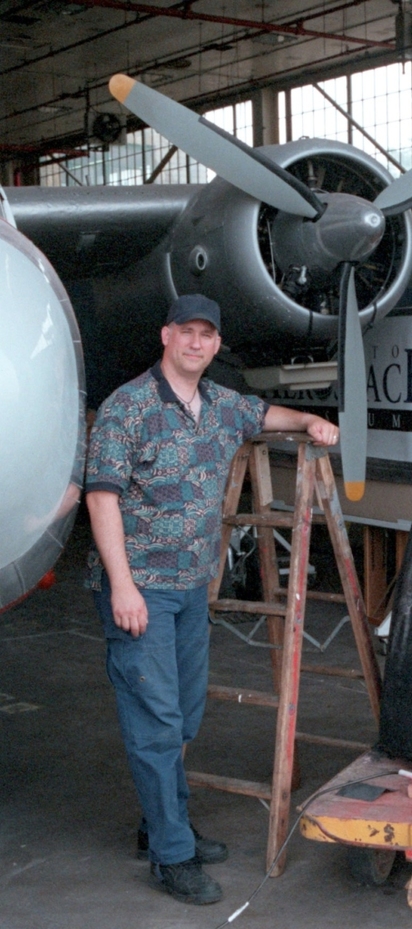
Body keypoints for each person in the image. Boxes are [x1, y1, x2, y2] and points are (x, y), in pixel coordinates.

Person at [84, 294, 338, 905]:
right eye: (186, 333)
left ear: (216, 344)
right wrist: (123, 585)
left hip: (191, 586)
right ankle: (172, 855)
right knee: (157, 721)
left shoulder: (223, 406)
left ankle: (157, 824)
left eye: (207, 335)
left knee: (186, 712)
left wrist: (309, 422)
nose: (196, 343)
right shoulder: (130, 406)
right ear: (166, 335)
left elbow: (266, 414)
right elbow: (101, 498)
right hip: (139, 587)